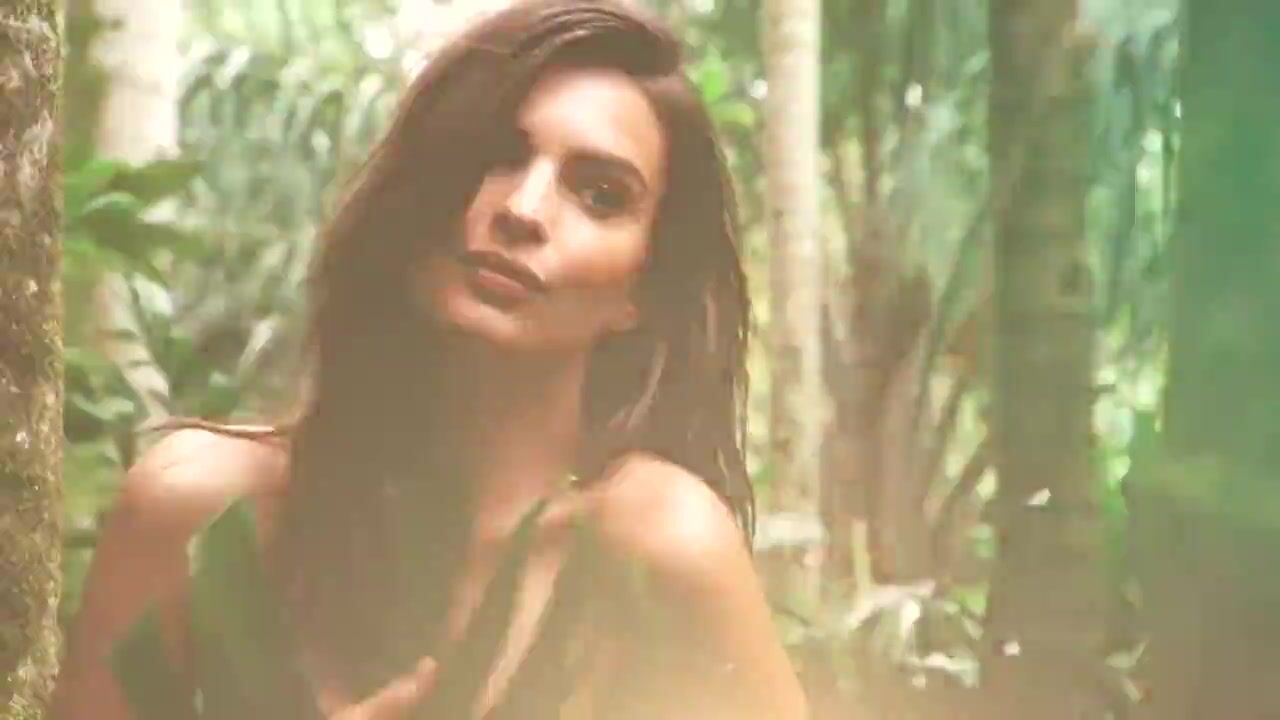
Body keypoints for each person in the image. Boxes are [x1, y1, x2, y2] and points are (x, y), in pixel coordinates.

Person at [52, 1, 808, 718]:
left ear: (642, 290)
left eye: (601, 195)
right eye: (495, 155)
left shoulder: (659, 550)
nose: (522, 211)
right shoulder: (198, 509)